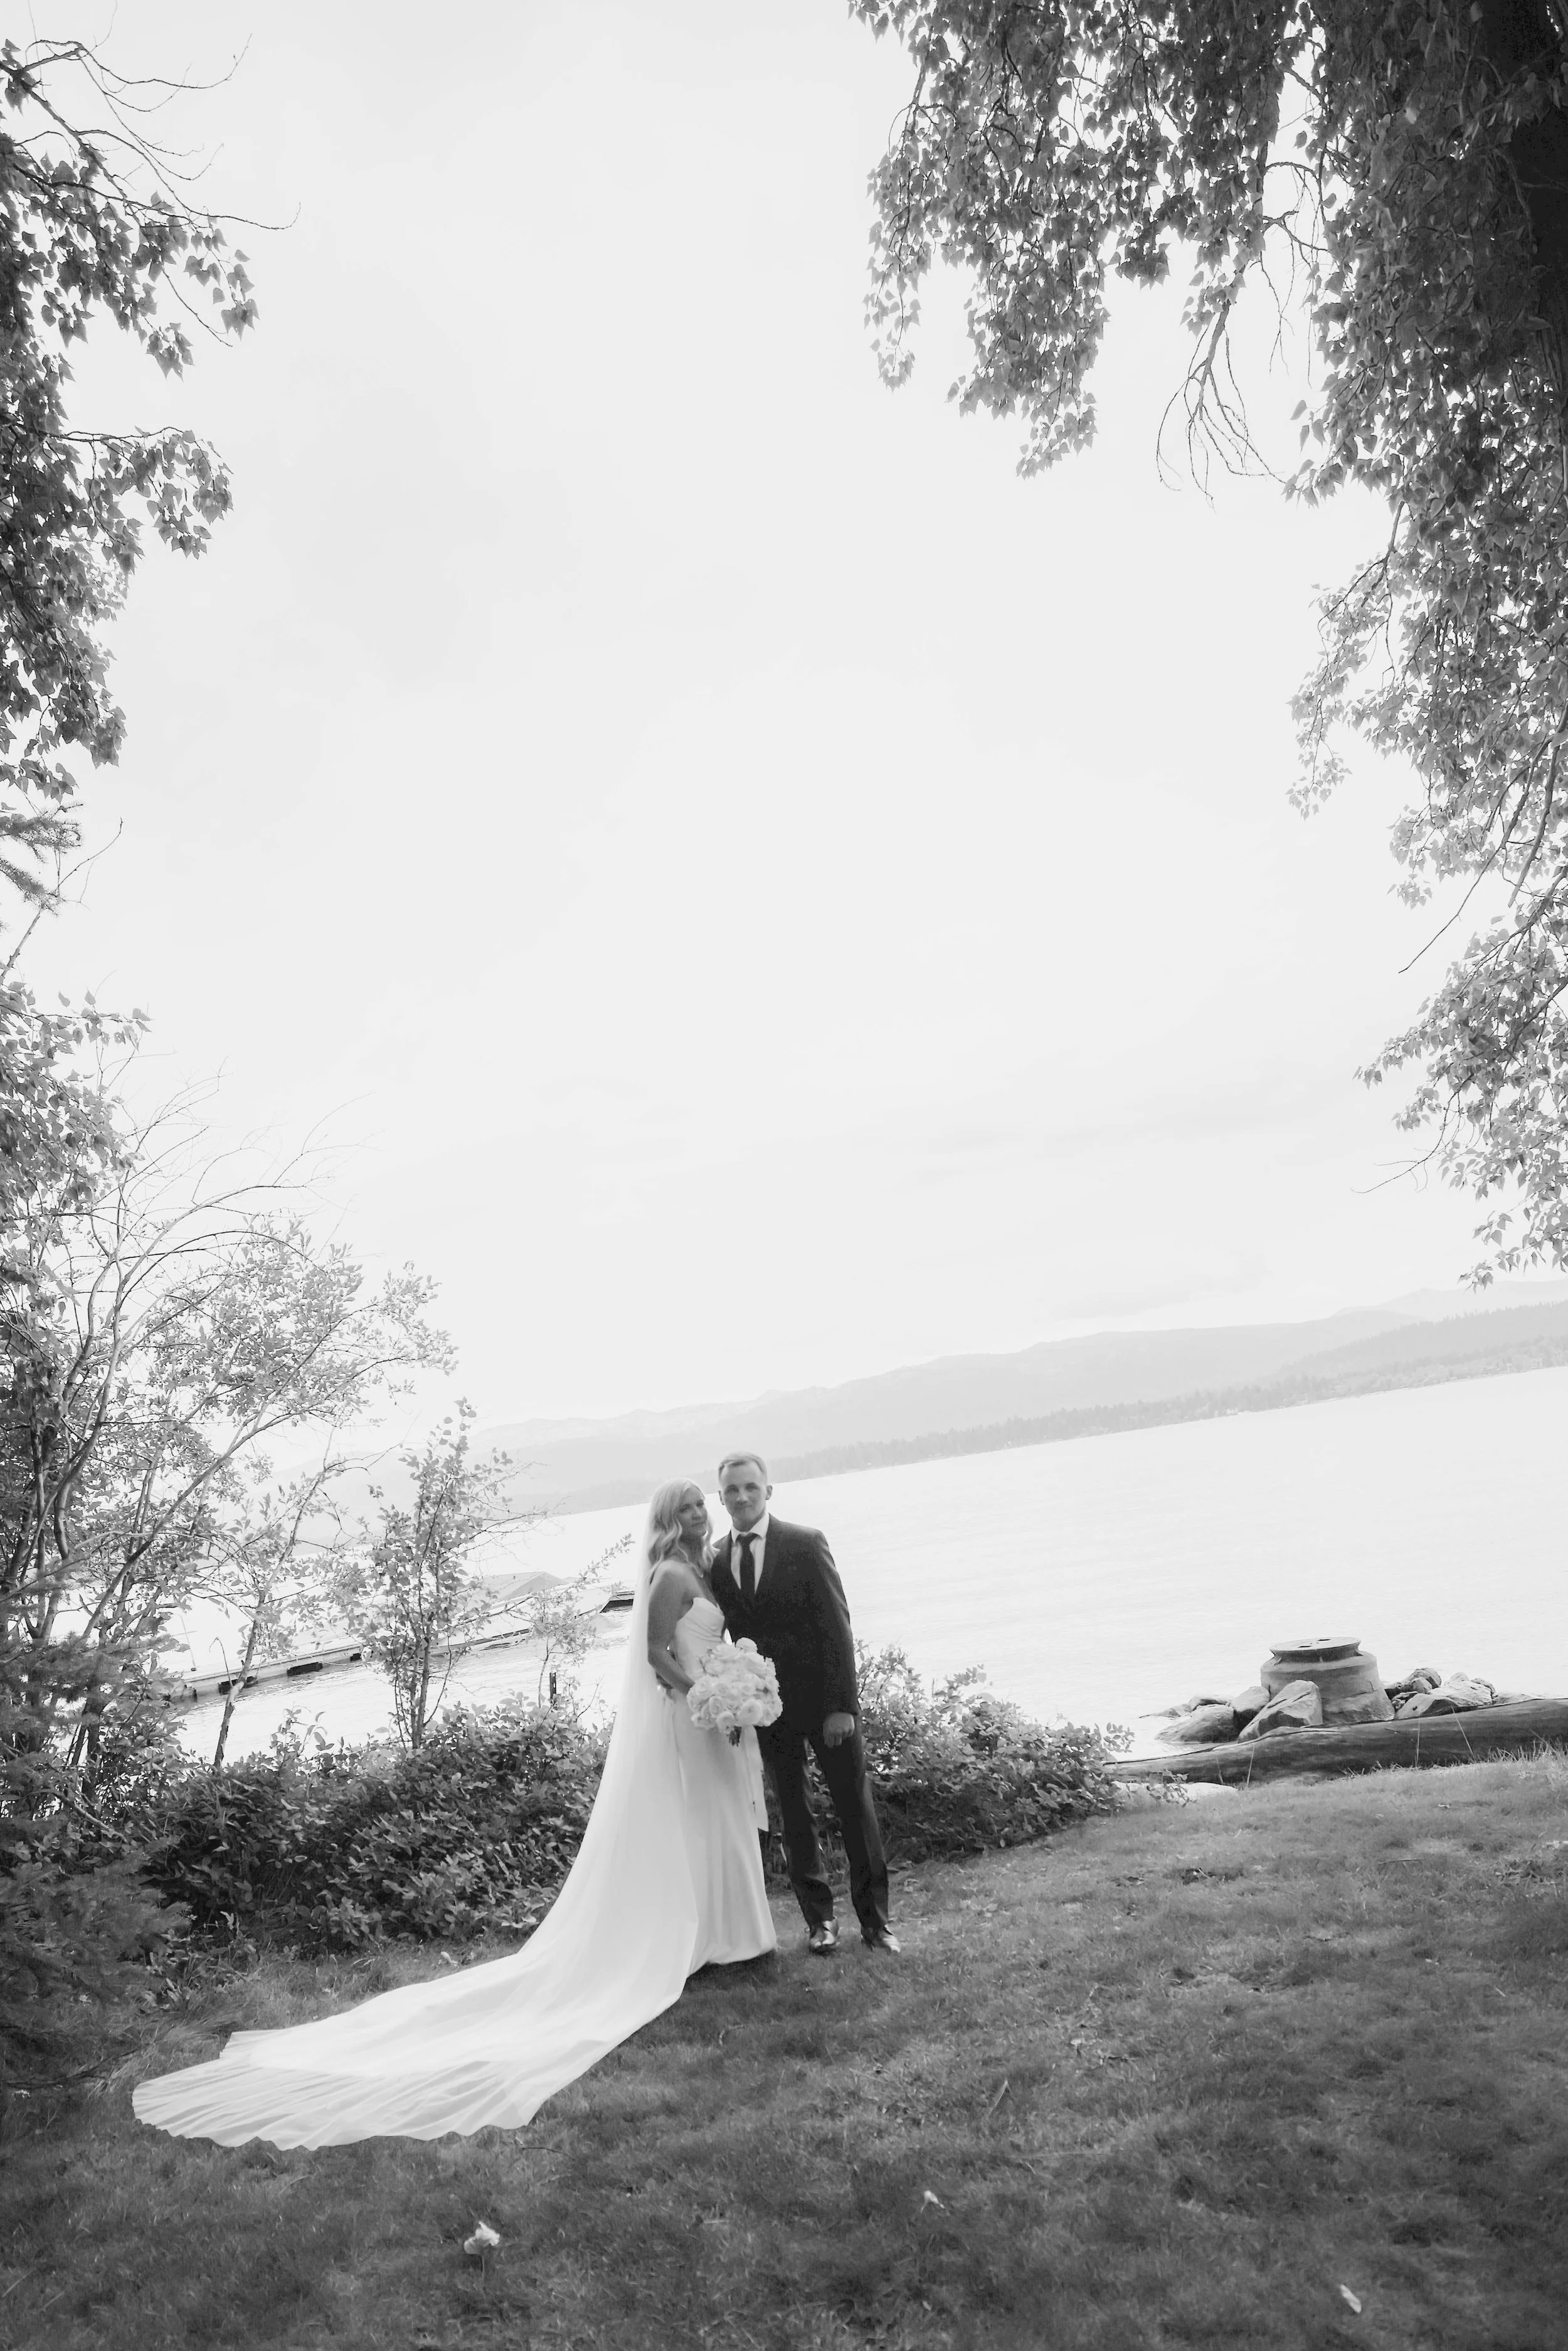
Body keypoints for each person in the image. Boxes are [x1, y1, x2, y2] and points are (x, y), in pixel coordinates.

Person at [132, 1480, 775, 2148]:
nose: (698, 1513)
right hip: (690, 1715)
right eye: (686, 1507)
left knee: (714, 1824)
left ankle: (726, 1935)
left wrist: (730, 1683)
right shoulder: (670, 1573)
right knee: (702, 1822)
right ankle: (706, 1939)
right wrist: (704, 1689)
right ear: (669, 1518)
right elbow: (654, 1653)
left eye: (701, 1503)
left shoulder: (704, 1564)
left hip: (710, 1716)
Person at [709, 1451, 897, 1956]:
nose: (742, 1497)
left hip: (824, 1704)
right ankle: (820, 1921)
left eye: (751, 1487)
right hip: (767, 1711)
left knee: (855, 1809)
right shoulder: (715, 1559)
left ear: (768, 1491)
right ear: (721, 1498)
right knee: (794, 1817)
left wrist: (844, 1706)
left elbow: (837, 1626)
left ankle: (876, 1923)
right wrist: (732, 1698)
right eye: (732, 1490)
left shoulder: (805, 1542)